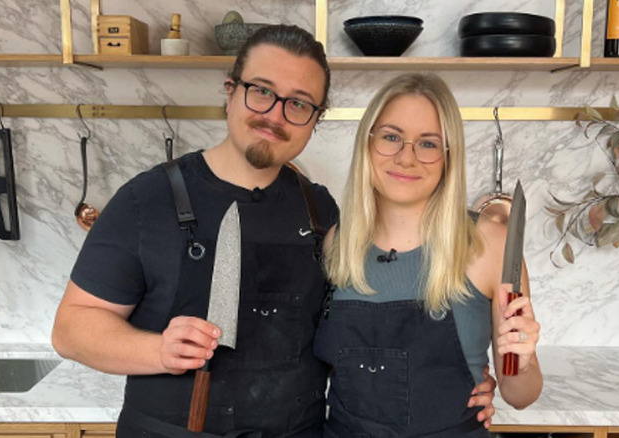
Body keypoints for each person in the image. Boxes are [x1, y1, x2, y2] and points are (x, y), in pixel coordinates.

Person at [52, 26, 497, 438]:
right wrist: (158, 351)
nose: (274, 114)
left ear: (315, 119)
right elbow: (71, 329)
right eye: (261, 91)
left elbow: (356, 333)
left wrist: (455, 380)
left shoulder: (321, 211)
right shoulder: (146, 199)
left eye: (298, 103)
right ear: (230, 91)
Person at [315, 73, 543, 438]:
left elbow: (520, 395)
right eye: (391, 137)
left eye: (428, 143)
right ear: (367, 143)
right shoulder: (335, 244)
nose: (407, 158)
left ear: (448, 156)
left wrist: (524, 359)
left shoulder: (492, 246)